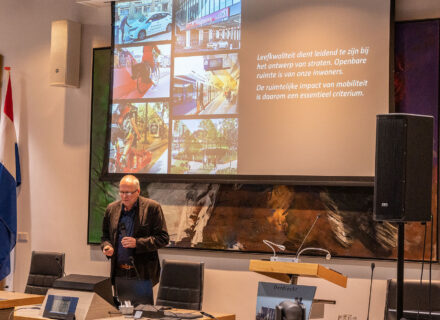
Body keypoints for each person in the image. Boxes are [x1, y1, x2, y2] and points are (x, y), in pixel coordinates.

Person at [101, 175, 169, 286]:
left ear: (138, 191)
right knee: (118, 304)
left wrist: (137, 243)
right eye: (121, 192)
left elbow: (163, 238)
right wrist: (106, 247)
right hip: (119, 272)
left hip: (141, 273)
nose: (124, 196)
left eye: (128, 193)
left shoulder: (152, 207)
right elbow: (105, 236)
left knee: (141, 304)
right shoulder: (111, 209)